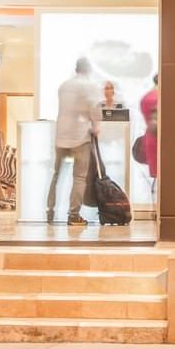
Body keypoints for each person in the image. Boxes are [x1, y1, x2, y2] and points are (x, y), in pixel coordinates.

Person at [46, 57, 101, 225]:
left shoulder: (64, 86)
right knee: (79, 177)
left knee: (56, 175)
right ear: (88, 69)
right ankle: (74, 215)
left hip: (61, 136)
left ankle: (50, 211)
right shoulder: (89, 85)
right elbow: (94, 109)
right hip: (80, 137)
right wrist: (96, 126)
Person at [139, 74, 160, 199]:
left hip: (151, 139)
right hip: (165, 140)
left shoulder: (146, 98)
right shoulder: (161, 97)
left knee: (156, 180)